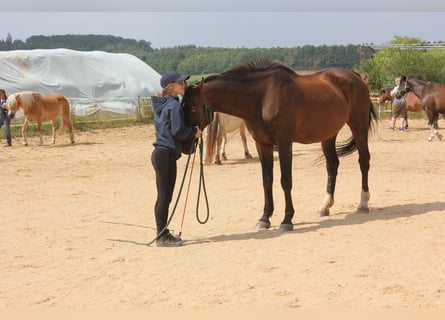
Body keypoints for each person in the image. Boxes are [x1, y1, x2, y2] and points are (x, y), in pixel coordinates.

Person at [151, 71, 202, 247]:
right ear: (171, 86)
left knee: (164, 197)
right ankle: (162, 236)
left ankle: (163, 233)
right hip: (165, 155)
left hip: (161, 154)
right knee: (164, 198)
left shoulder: (163, 104)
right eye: (180, 82)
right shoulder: (173, 106)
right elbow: (178, 131)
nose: (184, 84)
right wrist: (194, 132)